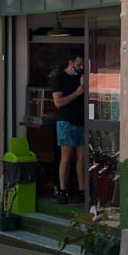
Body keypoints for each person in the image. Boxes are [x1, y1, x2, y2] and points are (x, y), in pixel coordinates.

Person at [50, 54, 86, 204]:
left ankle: (82, 190)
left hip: (82, 121)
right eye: (79, 65)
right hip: (66, 121)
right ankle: (63, 190)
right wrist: (77, 93)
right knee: (66, 157)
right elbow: (58, 102)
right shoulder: (59, 78)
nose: (81, 68)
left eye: (83, 65)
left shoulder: (82, 77)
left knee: (82, 159)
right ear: (70, 63)